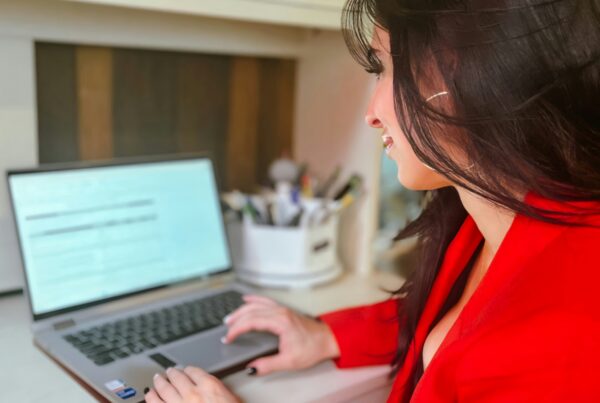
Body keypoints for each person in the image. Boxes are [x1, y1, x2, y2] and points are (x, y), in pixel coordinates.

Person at [144, 0, 600, 401]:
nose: (370, 114)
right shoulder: (496, 216)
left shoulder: (572, 331)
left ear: (469, 77)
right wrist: (326, 335)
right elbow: (453, 324)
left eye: (384, 68)